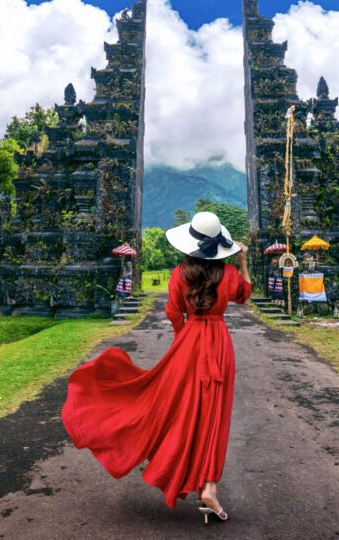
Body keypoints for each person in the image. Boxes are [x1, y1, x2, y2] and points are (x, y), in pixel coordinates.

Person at [61, 211, 251, 524]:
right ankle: (210, 485)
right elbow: (244, 296)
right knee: (214, 416)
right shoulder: (228, 273)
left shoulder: (179, 274)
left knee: (177, 409)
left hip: (189, 343)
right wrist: (242, 261)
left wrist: (182, 342)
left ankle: (188, 474)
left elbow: (174, 312)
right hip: (219, 344)